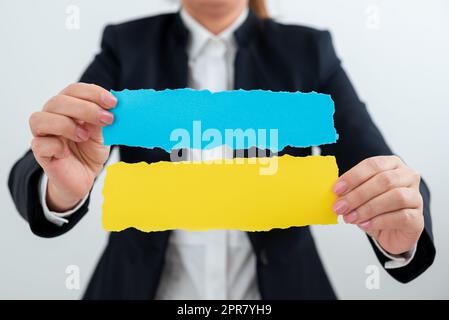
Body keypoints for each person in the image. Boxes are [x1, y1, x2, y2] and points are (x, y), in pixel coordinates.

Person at [8, 0, 435, 299]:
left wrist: (399, 218)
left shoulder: (308, 50)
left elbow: (382, 168)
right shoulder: (127, 45)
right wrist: (60, 190)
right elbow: (40, 164)